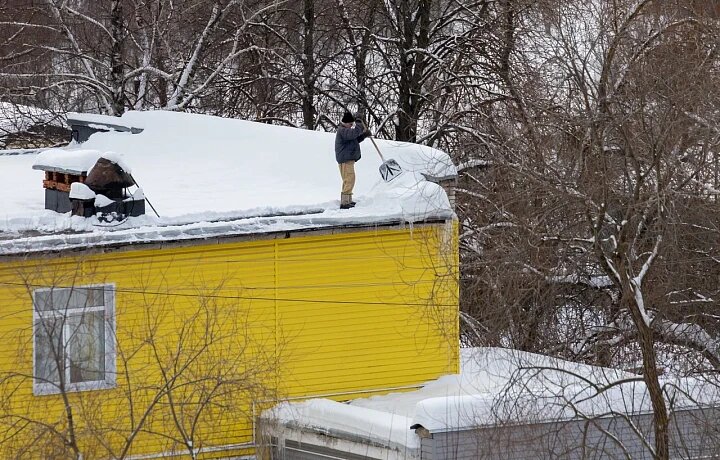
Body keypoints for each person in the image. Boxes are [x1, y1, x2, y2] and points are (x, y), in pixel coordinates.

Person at [335, 111, 369, 209]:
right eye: (350, 124)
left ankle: (348, 200)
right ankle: (345, 202)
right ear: (345, 123)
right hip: (345, 160)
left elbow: (354, 140)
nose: (351, 126)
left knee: (349, 179)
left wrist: (364, 135)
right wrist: (358, 122)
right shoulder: (342, 130)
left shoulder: (346, 131)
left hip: (348, 159)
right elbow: (353, 134)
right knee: (349, 179)